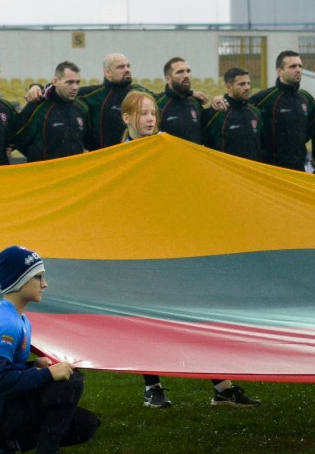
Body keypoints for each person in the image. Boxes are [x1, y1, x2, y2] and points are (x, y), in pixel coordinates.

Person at [116, 92, 262, 409]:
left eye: (153, 112)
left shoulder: (168, 147)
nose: (151, 119)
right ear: (127, 118)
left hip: (175, 246)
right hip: (140, 251)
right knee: (148, 319)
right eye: (143, 114)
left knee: (196, 314)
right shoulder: (118, 159)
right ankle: (152, 387)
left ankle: (222, 387)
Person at [0, 246, 99, 454]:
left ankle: (5, 445)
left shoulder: (14, 316)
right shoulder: (7, 324)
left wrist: (33, 365)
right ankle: (12, 444)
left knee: (87, 424)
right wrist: (46, 374)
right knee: (70, 383)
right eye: (38, 277)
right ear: (18, 280)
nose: (44, 284)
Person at [249, 50, 315, 171]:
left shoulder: (306, 98)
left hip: (299, 168)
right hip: (271, 169)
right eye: (292, 66)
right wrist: (221, 100)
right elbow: (237, 109)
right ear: (279, 71)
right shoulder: (263, 99)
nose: (298, 70)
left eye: (300, 66)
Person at [12, 62, 88, 162]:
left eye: (77, 82)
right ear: (55, 81)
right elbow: (17, 138)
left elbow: (87, 140)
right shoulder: (38, 107)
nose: (75, 87)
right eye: (69, 82)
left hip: (74, 173)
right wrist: (38, 158)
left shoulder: (81, 107)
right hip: (46, 173)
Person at [155, 57, 203, 143]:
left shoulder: (195, 103)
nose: (186, 75)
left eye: (188, 71)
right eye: (180, 72)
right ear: (168, 79)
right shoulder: (158, 105)